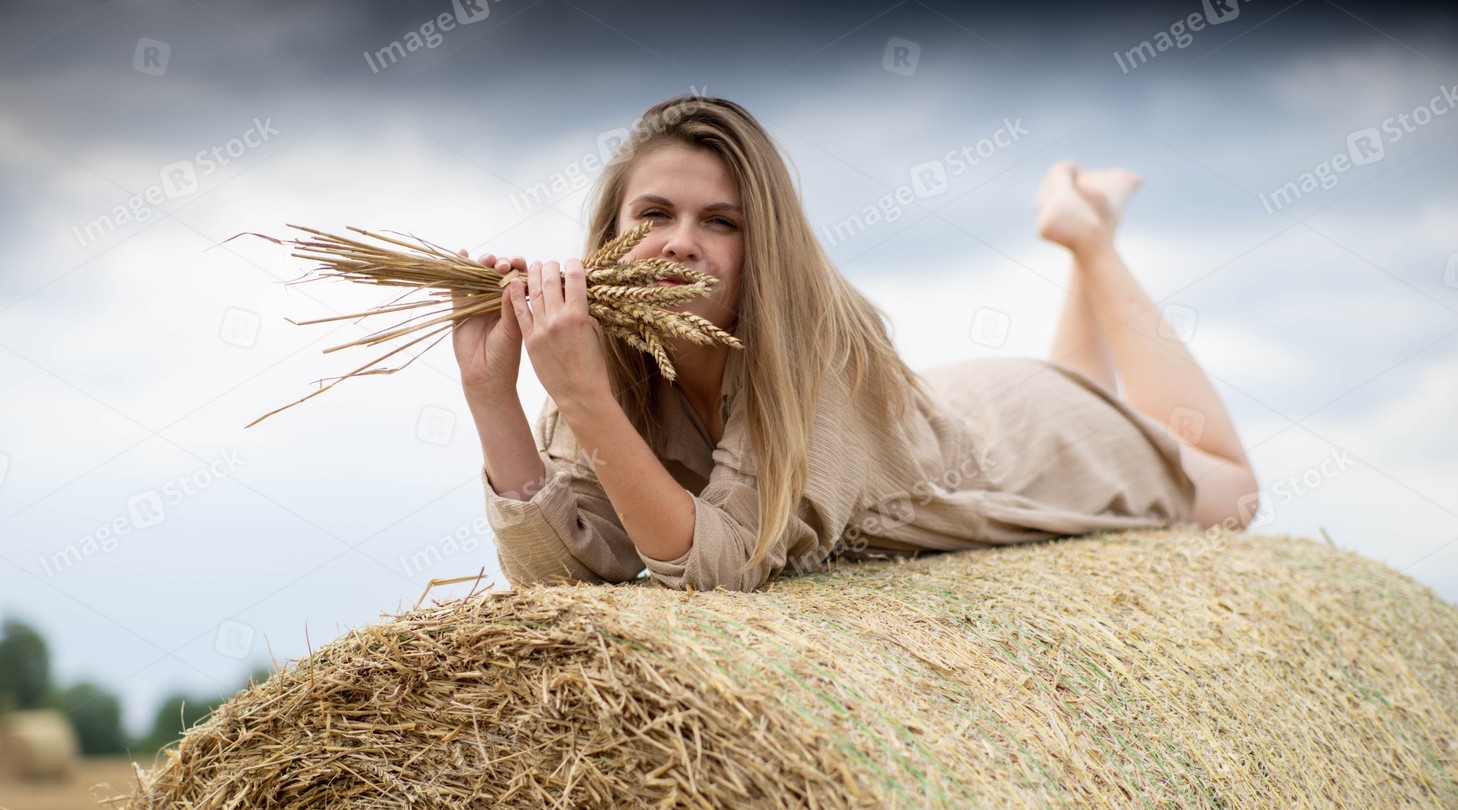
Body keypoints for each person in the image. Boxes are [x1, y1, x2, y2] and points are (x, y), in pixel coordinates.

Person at [451, 95, 1259, 593]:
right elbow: (559, 575)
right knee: (1083, 376)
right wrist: (493, 397)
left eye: (721, 222)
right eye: (654, 214)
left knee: (1232, 491)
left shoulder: (812, 360)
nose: (680, 242)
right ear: (611, 236)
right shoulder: (604, 360)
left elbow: (718, 568)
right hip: (948, 406)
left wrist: (584, 399)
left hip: (1032, 443)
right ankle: (1087, 242)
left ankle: (1091, 240)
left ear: (766, 249)